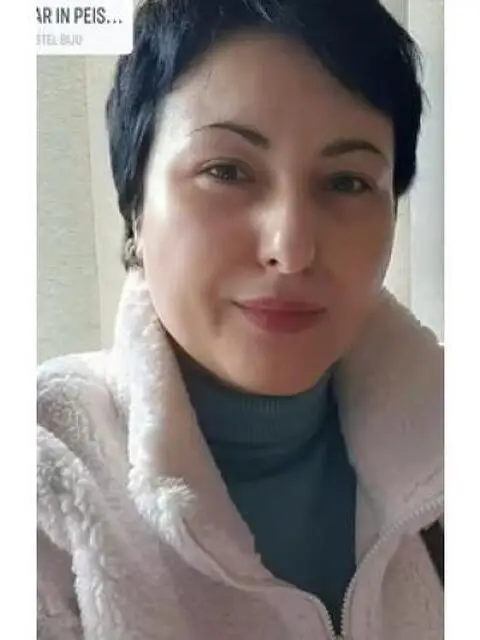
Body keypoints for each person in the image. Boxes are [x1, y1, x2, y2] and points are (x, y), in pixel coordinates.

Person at [37, 1, 444, 639]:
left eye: (346, 183)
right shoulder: (43, 479)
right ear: (135, 205)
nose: (291, 248)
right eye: (226, 172)